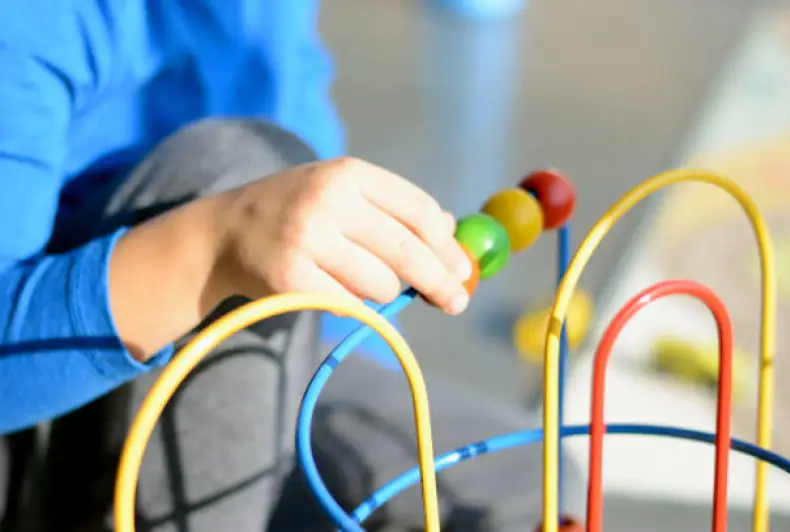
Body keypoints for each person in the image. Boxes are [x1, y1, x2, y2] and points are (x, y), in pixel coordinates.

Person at [0, 2, 584, 531]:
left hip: (252, 373)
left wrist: (358, 343)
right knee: (235, 165)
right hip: (45, 420)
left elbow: (300, 131)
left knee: (529, 485)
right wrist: (212, 248)